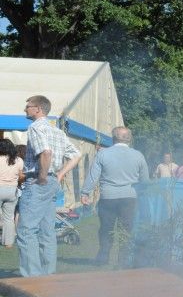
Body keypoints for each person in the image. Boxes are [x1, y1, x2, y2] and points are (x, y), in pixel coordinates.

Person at [16, 95, 82, 276]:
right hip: (52, 181)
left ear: (38, 109)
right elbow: (77, 154)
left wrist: (43, 177)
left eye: (28, 106)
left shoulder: (35, 127)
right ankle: (48, 275)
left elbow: (46, 152)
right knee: (47, 230)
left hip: (39, 180)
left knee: (26, 230)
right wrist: (59, 174)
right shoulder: (57, 131)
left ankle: (32, 278)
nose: (25, 109)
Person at [80, 126, 149, 265]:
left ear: (113, 138)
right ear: (129, 139)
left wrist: (85, 192)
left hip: (108, 198)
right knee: (126, 230)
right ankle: (123, 260)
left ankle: (103, 258)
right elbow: (145, 181)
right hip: (130, 199)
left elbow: (93, 177)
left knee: (106, 229)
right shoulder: (138, 155)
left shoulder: (103, 154)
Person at [0, 139, 24, 248]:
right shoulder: (19, 160)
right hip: (12, 191)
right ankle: (9, 243)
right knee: (9, 218)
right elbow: (21, 177)